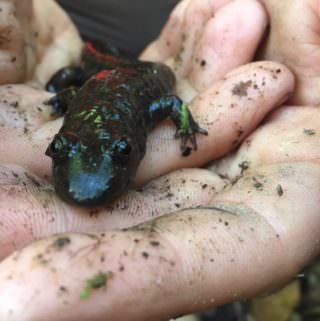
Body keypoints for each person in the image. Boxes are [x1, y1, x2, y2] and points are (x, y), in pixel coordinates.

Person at [0, 0, 319, 320]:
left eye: (122, 151)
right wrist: (58, 95)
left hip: (145, 72)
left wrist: (186, 123)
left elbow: (170, 101)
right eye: (61, 147)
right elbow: (71, 93)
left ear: (137, 135)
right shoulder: (79, 101)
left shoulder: (142, 109)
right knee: (82, 74)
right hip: (95, 56)